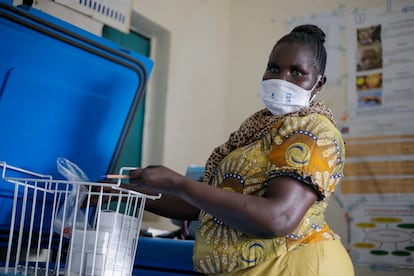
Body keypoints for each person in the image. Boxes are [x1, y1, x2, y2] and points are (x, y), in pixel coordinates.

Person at [126, 24, 354, 275]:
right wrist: (124, 193)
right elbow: (206, 204)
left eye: (297, 72)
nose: (281, 79)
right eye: (274, 68)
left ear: (318, 83)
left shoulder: (312, 130)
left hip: (294, 265)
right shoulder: (257, 129)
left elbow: (278, 218)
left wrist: (178, 183)